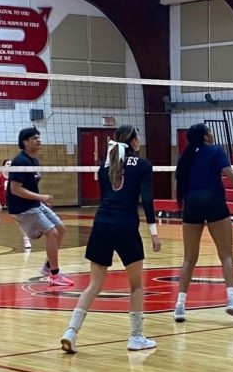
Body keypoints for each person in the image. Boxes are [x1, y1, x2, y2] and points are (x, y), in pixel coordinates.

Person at [60, 125, 161, 354]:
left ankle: (71, 332)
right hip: (125, 227)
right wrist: (154, 232)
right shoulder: (143, 165)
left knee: (94, 284)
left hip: (101, 225)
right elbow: (146, 199)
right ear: (134, 142)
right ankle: (136, 337)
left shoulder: (104, 167)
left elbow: (107, 196)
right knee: (136, 285)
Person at [173, 122, 233, 323]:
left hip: (191, 204)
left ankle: (180, 306)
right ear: (206, 136)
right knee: (226, 254)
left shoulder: (185, 156)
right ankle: (232, 300)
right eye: (210, 131)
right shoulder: (216, 151)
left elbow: (179, 183)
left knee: (189, 258)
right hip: (214, 201)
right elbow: (231, 176)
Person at [6, 126, 73, 286]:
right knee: (52, 233)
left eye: (38, 137)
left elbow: (29, 182)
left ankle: (47, 267)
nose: (39, 140)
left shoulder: (33, 160)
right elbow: (15, 189)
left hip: (34, 203)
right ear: (25, 142)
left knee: (61, 228)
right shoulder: (19, 161)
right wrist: (41, 197)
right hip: (22, 207)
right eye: (35, 138)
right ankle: (54, 275)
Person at [0, 159, 32, 251]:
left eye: (11, 164)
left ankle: (26, 240)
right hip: (0, 200)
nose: (10, 165)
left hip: (11, 200)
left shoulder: (14, 177)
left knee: (19, 220)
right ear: (4, 166)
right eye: (8, 164)